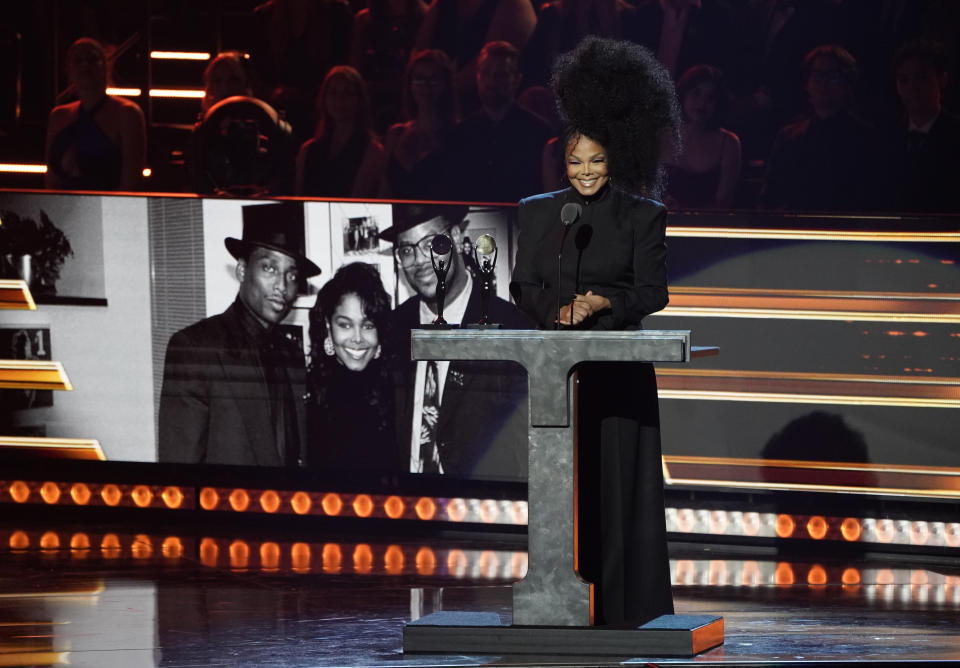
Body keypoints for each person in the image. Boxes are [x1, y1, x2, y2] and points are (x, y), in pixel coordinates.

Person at [511, 36, 680, 627]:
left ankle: (624, 609)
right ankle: (562, 604)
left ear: (617, 158)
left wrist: (602, 305)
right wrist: (557, 313)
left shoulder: (642, 217)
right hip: (560, 383)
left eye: (597, 161)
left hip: (618, 378)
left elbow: (653, 293)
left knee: (617, 491)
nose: (585, 172)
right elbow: (523, 286)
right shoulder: (539, 213)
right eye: (575, 161)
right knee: (569, 488)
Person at [158, 202, 321, 467]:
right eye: (269, 268)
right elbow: (180, 473)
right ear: (243, 270)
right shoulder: (195, 349)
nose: (282, 285)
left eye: (291, 275)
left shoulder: (291, 353)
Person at [380, 203, 533, 480]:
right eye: (406, 249)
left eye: (431, 243)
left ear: (457, 237)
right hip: (405, 508)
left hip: (477, 511)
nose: (419, 260)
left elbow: (525, 448)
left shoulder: (511, 326)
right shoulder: (392, 328)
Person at [761, 45, 879, 212]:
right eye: (817, 75)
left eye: (832, 76)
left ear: (847, 84)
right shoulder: (788, 136)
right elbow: (771, 195)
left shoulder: (865, 138)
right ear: (807, 84)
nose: (823, 83)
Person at [306, 262, 397, 472]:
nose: (357, 339)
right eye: (345, 325)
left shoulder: (399, 393)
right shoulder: (307, 394)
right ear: (328, 326)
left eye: (367, 326)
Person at [442, 41, 553, 203]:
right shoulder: (461, 133)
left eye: (500, 74)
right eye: (486, 73)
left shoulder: (538, 132)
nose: (491, 81)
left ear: (516, 80)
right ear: (477, 77)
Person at [45, 38, 146, 191]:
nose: (85, 65)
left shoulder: (127, 113)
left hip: (108, 208)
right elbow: (51, 180)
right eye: (78, 61)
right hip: (63, 208)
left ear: (107, 67)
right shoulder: (58, 116)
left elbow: (130, 185)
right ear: (69, 70)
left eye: (92, 59)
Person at [885, 40, 960, 213]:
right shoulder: (886, 137)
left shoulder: (955, 134)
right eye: (903, 80)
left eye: (921, 78)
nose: (912, 87)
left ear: (942, 80)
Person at [378, 49, 458, 199]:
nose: (425, 86)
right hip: (397, 220)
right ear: (410, 85)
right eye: (419, 78)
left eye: (433, 79)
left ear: (445, 85)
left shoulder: (458, 135)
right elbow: (384, 192)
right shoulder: (395, 134)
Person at [295, 66, 385, 198]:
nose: (340, 99)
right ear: (324, 98)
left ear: (359, 100)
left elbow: (358, 201)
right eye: (333, 92)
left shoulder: (372, 151)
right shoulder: (307, 150)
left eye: (347, 93)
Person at [664, 65, 742, 209]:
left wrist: (686, 213)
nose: (702, 103)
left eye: (710, 98)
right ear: (683, 94)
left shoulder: (729, 144)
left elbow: (723, 204)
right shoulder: (658, 135)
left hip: (701, 227)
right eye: (696, 93)